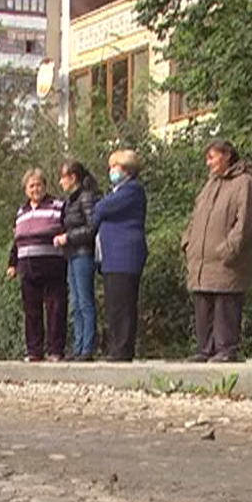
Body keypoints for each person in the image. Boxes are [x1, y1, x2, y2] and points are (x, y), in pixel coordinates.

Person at [181, 138, 252, 363]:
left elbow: (245, 221)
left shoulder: (244, 183)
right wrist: (187, 242)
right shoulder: (210, 185)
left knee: (225, 303)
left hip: (226, 260)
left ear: (227, 155)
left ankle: (226, 350)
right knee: (203, 303)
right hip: (201, 259)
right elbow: (195, 217)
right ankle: (205, 350)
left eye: (212, 157)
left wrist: (230, 249)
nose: (209, 163)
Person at [93, 149, 148, 362]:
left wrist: (101, 210)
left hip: (125, 255)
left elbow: (102, 209)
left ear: (126, 170)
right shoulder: (117, 191)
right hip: (112, 257)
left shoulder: (133, 190)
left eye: (114, 167)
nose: (111, 171)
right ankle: (115, 347)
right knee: (113, 304)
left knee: (123, 304)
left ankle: (123, 349)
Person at [7, 169, 67, 362]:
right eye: (31, 186)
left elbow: (67, 231)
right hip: (27, 267)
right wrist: (12, 263)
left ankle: (55, 350)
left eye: (38, 184)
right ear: (26, 190)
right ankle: (34, 351)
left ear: (45, 186)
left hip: (52, 265)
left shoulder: (58, 206)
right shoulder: (21, 212)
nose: (35, 189)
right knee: (31, 311)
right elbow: (16, 240)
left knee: (55, 309)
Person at [53, 161, 102, 361]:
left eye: (63, 177)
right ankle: (79, 345)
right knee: (76, 302)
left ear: (72, 178)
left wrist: (69, 237)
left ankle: (88, 347)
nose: (60, 181)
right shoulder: (70, 201)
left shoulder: (86, 198)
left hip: (83, 253)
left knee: (85, 300)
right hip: (71, 254)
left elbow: (92, 227)